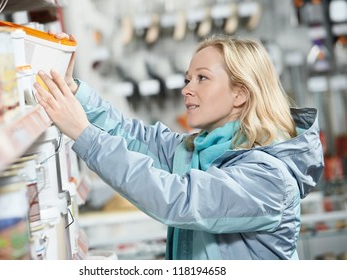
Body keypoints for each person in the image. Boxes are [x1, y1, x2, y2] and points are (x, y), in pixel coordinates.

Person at [34, 34, 324, 260]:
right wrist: (76, 93)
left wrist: (84, 134)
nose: (186, 89)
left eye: (202, 78)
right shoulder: (197, 150)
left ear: (240, 93)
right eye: (188, 79)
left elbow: (179, 201)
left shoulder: (268, 178)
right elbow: (131, 135)